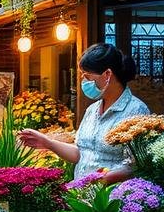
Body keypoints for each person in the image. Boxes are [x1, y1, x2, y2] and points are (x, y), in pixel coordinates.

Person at [19, 43, 150, 183]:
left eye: (87, 76)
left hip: (110, 199)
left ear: (107, 74)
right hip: (82, 196)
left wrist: (98, 180)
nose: (83, 81)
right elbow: (81, 153)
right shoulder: (92, 110)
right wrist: (48, 143)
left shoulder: (136, 111)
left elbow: (136, 165)